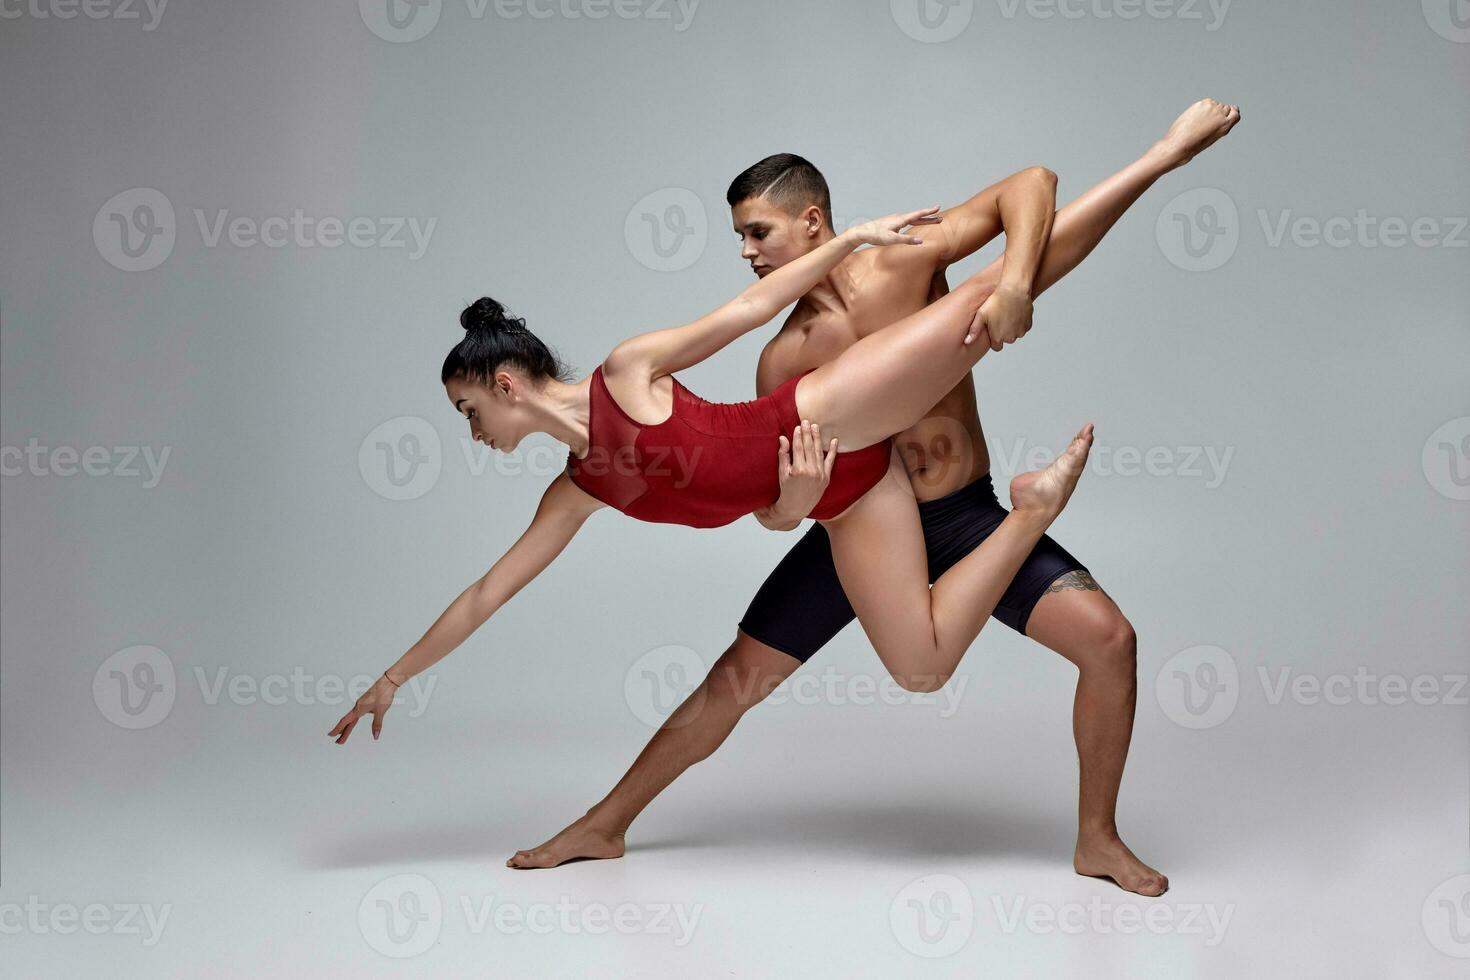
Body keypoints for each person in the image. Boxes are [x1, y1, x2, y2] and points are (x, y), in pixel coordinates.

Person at [501, 99, 1241, 897]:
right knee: (734, 680)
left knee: (1110, 641)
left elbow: (1033, 192)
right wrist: (797, 497)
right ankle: (603, 823)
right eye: (741, 239)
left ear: (813, 222)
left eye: (759, 233)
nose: (747, 254)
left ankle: (1097, 838)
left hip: (960, 516)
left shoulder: (903, 260)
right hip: (856, 530)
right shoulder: (782, 360)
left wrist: (1024, 280)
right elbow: (772, 511)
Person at [330, 185, 1100, 737]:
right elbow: (486, 592)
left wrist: (852, 239)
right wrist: (396, 677)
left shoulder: (627, 371)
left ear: (504, 385)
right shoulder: (579, 489)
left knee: (995, 296)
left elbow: (749, 310)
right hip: (835, 492)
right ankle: (1033, 512)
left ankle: (1158, 158)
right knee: (922, 667)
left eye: (470, 412)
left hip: (817, 414)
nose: (473, 433)